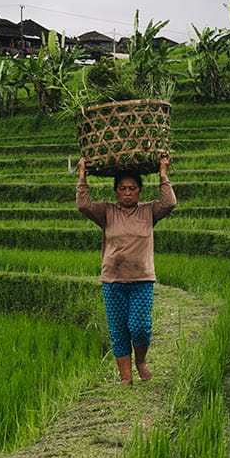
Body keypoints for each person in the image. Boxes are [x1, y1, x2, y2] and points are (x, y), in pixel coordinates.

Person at [76, 153, 176, 384]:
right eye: (122, 189)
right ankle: (125, 378)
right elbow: (83, 204)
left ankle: (140, 361)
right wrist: (82, 175)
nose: (127, 193)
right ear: (116, 191)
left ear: (140, 190)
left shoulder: (149, 211)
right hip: (113, 281)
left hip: (142, 279)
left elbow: (169, 203)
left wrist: (163, 175)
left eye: (132, 188)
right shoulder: (107, 212)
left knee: (140, 327)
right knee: (119, 330)